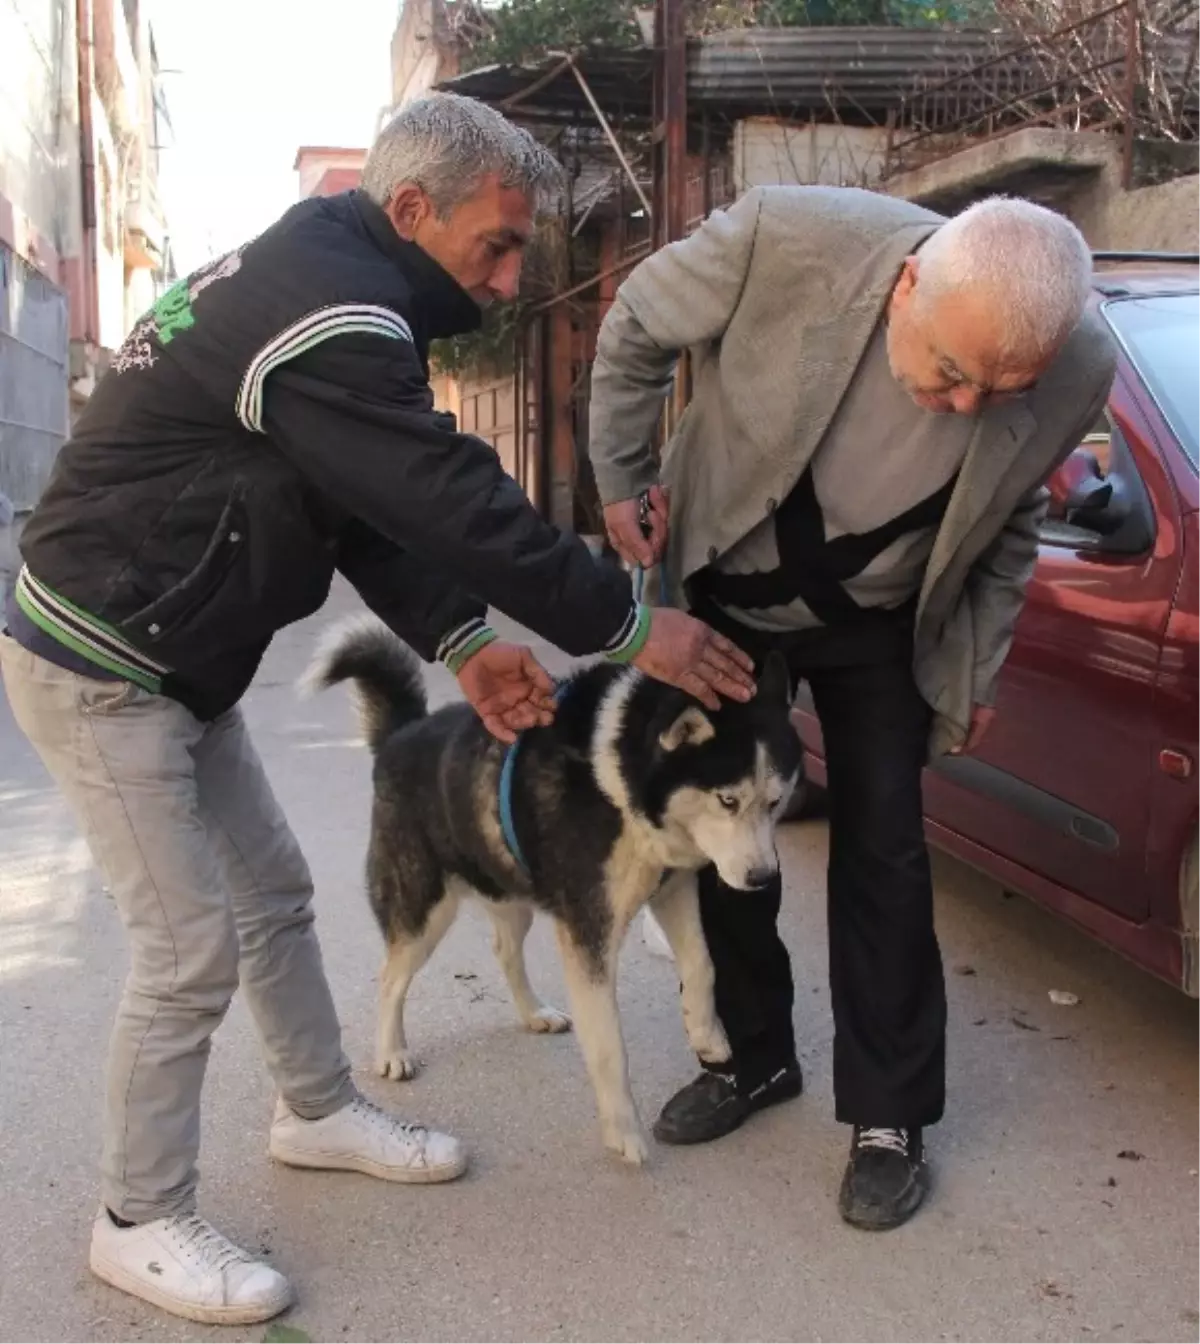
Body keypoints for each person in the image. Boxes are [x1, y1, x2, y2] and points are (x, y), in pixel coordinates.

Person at [0, 93, 754, 1326]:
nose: (511, 282)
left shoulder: (336, 285)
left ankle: (315, 1111)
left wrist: (464, 645)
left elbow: (359, 503)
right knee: (190, 947)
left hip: (173, 660)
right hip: (102, 664)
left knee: (277, 898)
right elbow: (449, 495)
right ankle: (137, 1217)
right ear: (410, 212)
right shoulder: (335, 310)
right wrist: (627, 624)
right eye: (495, 248)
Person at [588, 188, 1116, 1231]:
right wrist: (621, 477)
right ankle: (753, 1057)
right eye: (955, 372)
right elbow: (637, 324)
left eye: (999, 391)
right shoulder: (789, 237)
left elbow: (1010, 529)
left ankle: (890, 1117)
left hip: (883, 620)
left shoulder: (1081, 364)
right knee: (724, 825)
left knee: (885, 851)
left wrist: (974, 676)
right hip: (728, 590)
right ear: (909, 284)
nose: (968, 407)